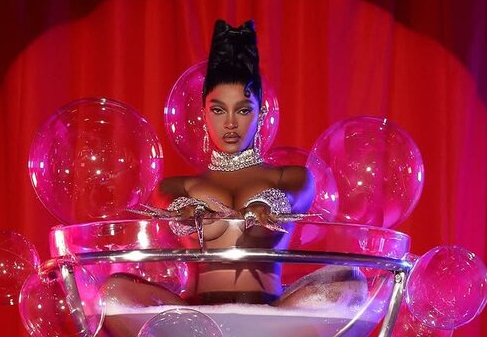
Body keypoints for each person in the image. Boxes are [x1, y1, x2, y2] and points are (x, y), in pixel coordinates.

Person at [104, 19, 365, 312]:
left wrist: (264, 205)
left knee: (349, 280)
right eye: (218, 110)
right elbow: (169, 202)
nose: (230, 123)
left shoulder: (290, 177)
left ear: (260, 115)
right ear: (204, 114)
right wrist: (187, 210)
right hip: (195, 319)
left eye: (242, 110)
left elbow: (290, 198)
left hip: (269, 317)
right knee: (116, 289)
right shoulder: (178, 186)